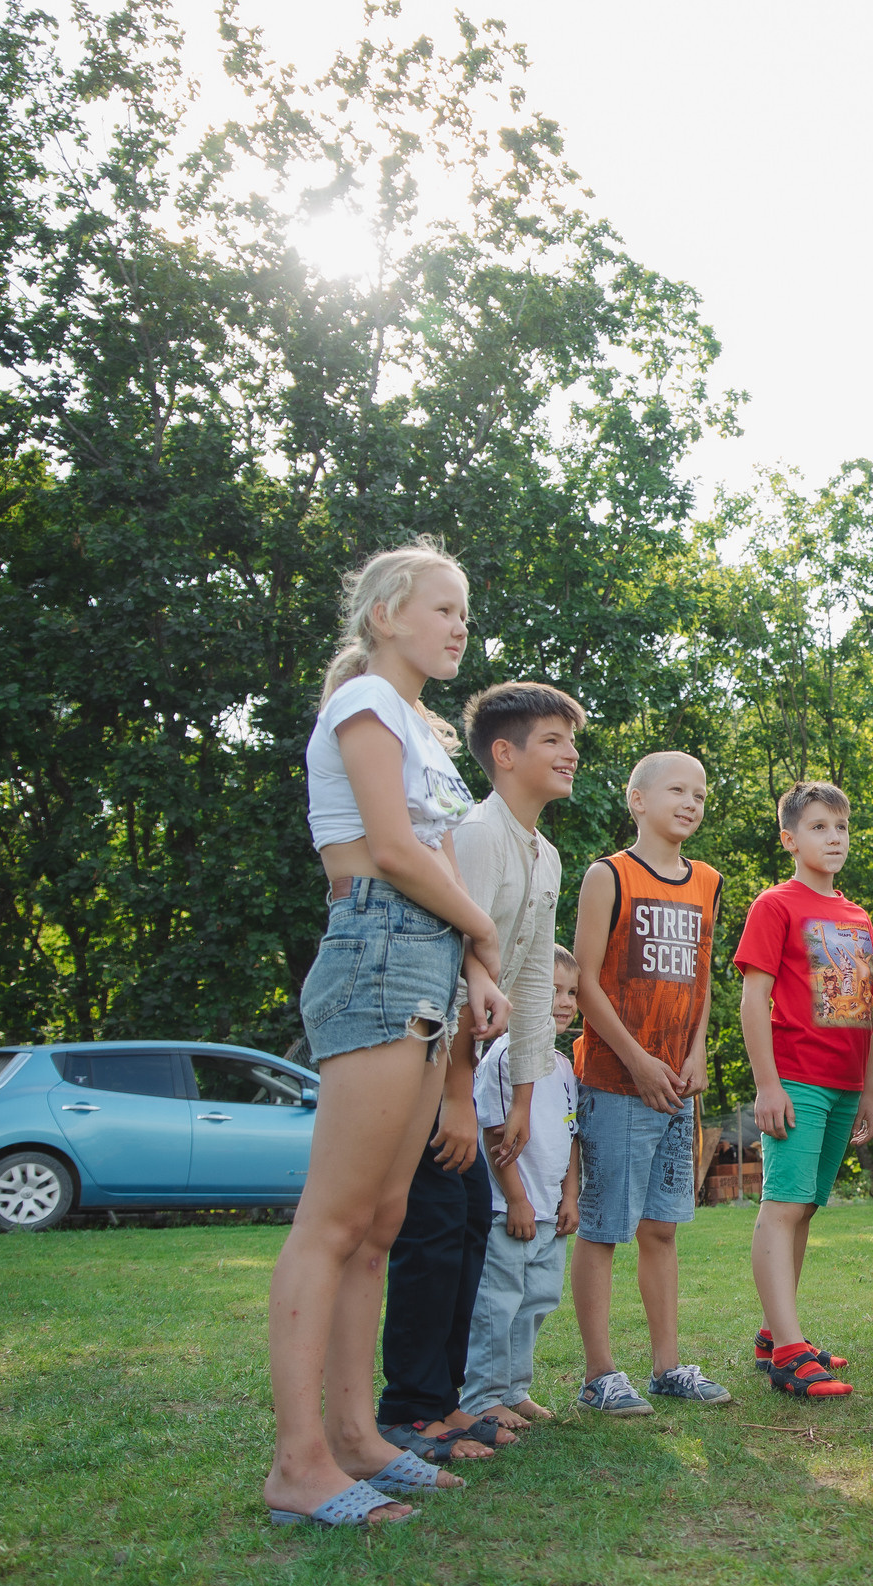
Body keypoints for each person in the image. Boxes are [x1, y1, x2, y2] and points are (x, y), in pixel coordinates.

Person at [264, 538, 506, 1527]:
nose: (459, 625)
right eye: (442, 608)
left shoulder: (424, 729)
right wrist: (484, 932)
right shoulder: (362, 703)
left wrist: (478, 965)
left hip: (430, 956)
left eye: (463, 611)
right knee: (332, 1223)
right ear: (384, 617)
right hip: (376, 945)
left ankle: (359, 1437)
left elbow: (441, 857)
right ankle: (298, 1462)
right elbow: (396, 850)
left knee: (382, 1226)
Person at [379, 680, 586, 1462]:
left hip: (477, 1070)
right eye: (553, 741)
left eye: (573, 742)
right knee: (433, 1229)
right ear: (504, 754)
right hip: (427, 1060)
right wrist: (458, 1096)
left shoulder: (545, 854)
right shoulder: (471, 836)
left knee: (467, 1226)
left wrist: (525, 1095)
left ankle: (454, 1400)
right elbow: (448, 968)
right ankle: (410, 1410)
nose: (571, 755)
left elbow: (530, 982)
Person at [567, 752, 732, 1414]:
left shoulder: (709, 881)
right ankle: (600, 1374)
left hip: (677, 1089)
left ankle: (667, 1367)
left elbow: (702, 976)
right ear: (637, 799)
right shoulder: (609, 875)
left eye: (700, 792)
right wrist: (635, 1058)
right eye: (676, 790)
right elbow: (583, 980)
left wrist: (695, 1053)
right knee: (605, 1227)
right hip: (616, 1080)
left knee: (661, 1229)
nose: (691, 801)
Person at [735, 782, 873, 1399]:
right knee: (784, 1205)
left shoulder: (857, 916)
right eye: (820, 827)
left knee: (807, 1209)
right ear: (790, 839)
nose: (834, 839)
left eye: (842, 828)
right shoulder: (776, 905)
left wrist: (869, 1095)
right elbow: (753, 1001)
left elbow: (868, 1012)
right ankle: (790, 1354)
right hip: (795, 1078)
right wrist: (767, 1085)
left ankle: (778, 1333)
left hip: (844, 1084)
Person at [460, 946, 584, 1425]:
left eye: (571, 992)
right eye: (551, 989)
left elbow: (571, 1137)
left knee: (535, 1302)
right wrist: (517, 1200)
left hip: (550, 1214)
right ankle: (481, 1397)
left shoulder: (562, 1065)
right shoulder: (505, 1056)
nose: (565, 1001)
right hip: (507, 1211)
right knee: (498, 1304)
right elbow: (495, 1131)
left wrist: (569, 1196)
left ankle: (514, 1389)